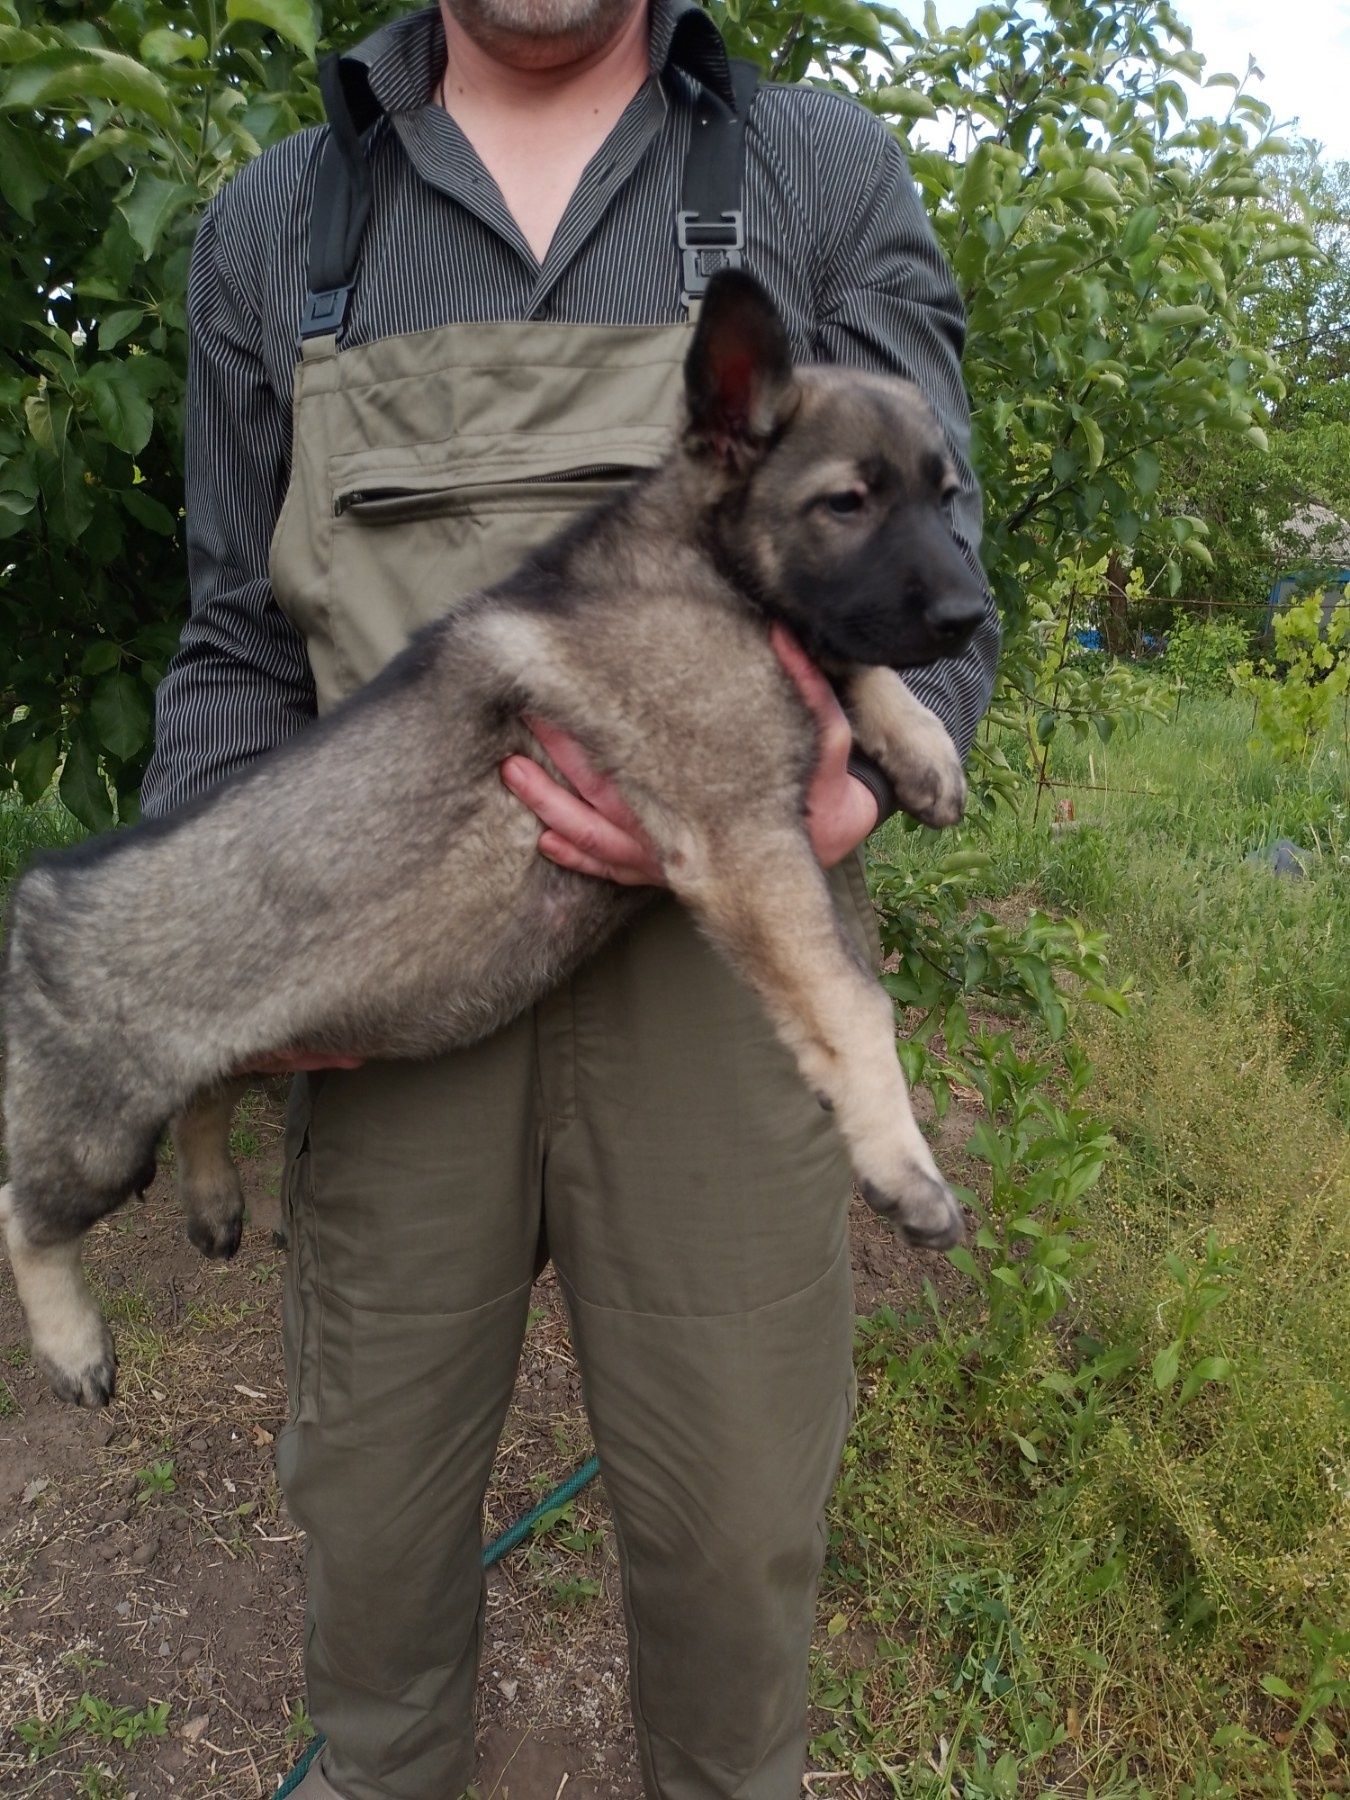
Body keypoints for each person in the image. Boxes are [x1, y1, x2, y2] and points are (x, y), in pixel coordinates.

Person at [140, 2, 1000, 1794]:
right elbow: (236, 632)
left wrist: (847, 787)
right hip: (395, 1000)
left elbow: (930, 556)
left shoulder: (813, 174)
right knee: (370, 1559)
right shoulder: (280, 224)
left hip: (719, 992)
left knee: (733, 1560)